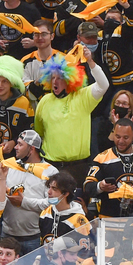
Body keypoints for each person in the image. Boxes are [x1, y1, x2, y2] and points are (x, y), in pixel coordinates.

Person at [33, 47, 111, 182]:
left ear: (70, 79)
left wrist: (91, 62)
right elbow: (39, 132)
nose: (55, 82)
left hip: (78, 167)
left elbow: (103, 85)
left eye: (60, 78)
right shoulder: (44, 101)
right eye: (53, 78)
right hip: (50, 167)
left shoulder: (82, 97)